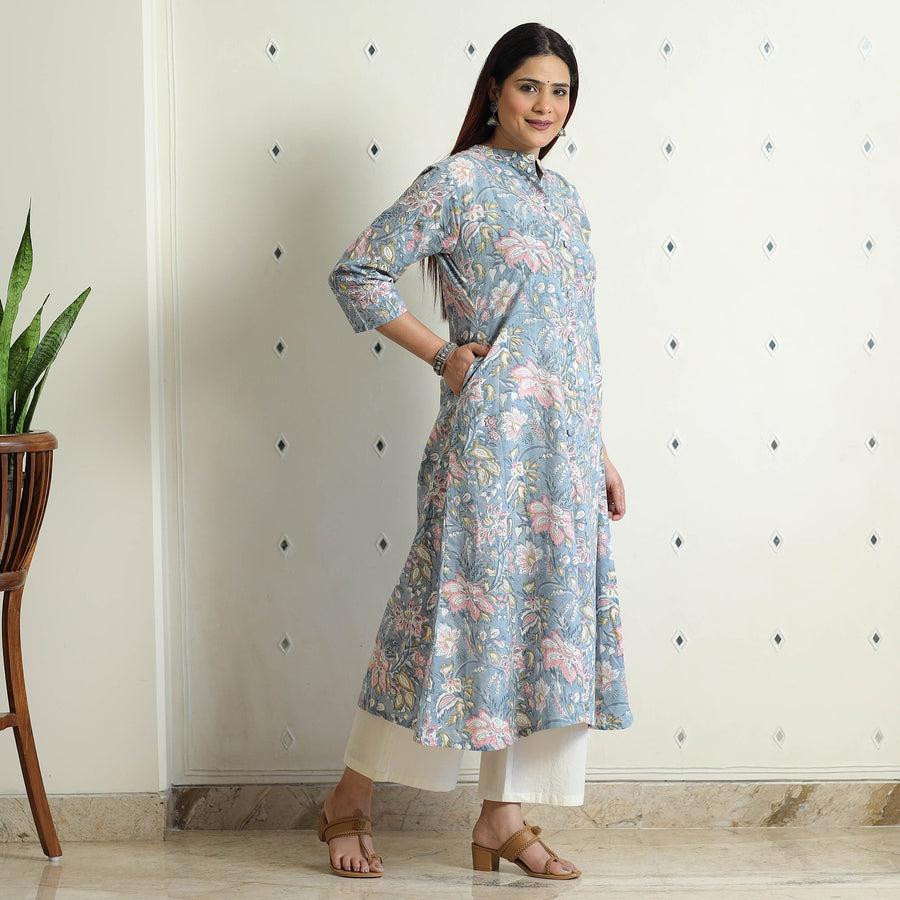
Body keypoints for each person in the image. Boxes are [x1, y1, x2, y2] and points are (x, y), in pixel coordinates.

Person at [323, 22, 632, 880]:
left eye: (561, 91)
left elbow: (569, 340)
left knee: (547, 630)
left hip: (564, 453)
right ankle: (347, 797)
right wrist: (443, 356)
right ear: (496, 89)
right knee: (438, 621)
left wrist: (598, 451)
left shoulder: (565, 199)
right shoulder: (455, 182)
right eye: (530, 86)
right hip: (489, 446)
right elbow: (359, 272)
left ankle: (503, 817)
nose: (546, 105)